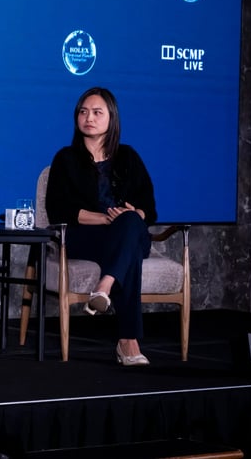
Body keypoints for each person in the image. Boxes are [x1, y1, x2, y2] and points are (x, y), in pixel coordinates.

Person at [45, 87, 157, 366]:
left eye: (97, 112)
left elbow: (149, 209)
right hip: (86, 236)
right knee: (126, 251)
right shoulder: (65, 159)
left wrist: (133, 214)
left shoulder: (129, 157)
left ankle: (104, 286)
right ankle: (128, 342)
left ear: (112, 118)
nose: (89, 118)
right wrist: (107, 219)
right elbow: (58, 210)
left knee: (130, 224)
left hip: (129, 234)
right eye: (83, 112)